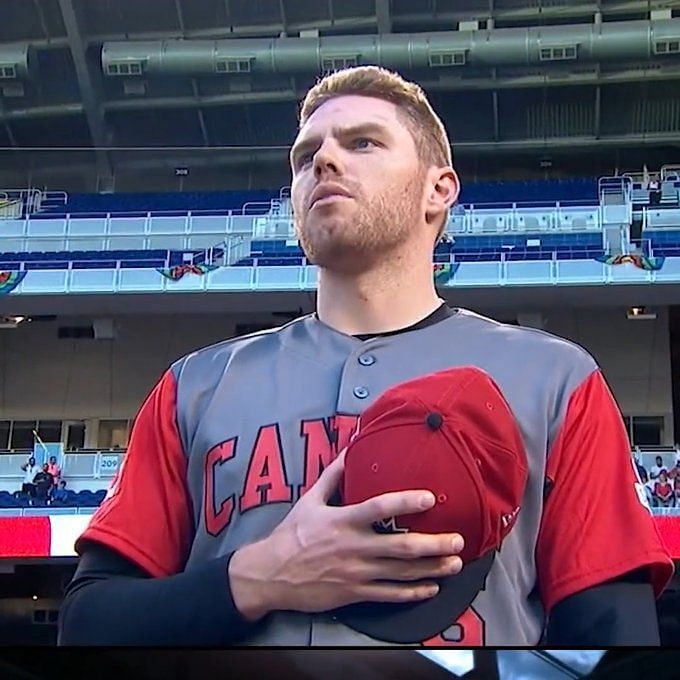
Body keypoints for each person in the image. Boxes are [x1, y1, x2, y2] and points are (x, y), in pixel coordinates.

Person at [58, 66, 672, 647]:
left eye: (363, 143)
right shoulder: (193, 386)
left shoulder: (557, 379)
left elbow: (611, 634)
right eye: (305, 156)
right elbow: (86, 623)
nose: (323, 159)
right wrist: (259, 578)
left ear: (438, 190)